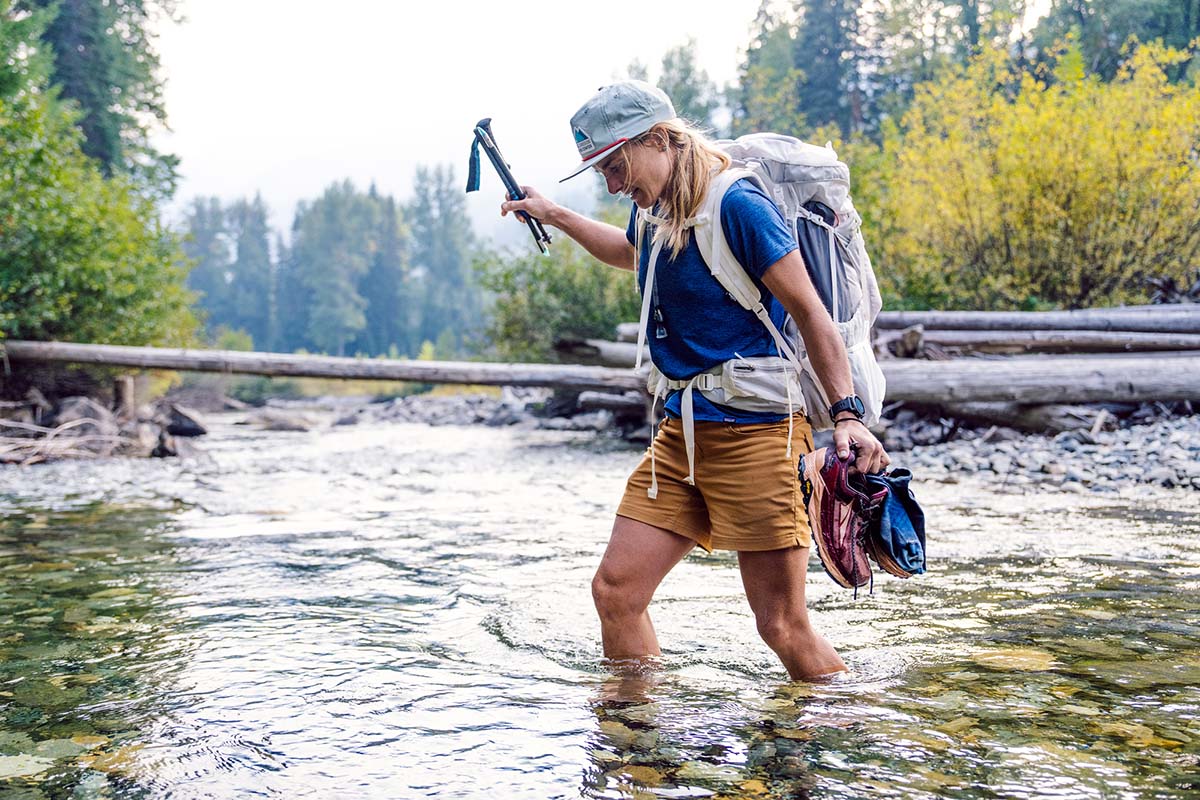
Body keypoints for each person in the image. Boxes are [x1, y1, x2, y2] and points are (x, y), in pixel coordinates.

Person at [501, 80, 889, 681]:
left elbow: (811, 312)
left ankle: (849, 740)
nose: (612, 183)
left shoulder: (738, 205)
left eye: (615, 164)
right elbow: (632, 252)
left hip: (758, 434)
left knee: (781, 626)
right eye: (600, 171)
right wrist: (553, 212)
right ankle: (640, 744)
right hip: (681, 438)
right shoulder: (654, 208)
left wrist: (847, 415)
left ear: (660, 139)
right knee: (616, 593)